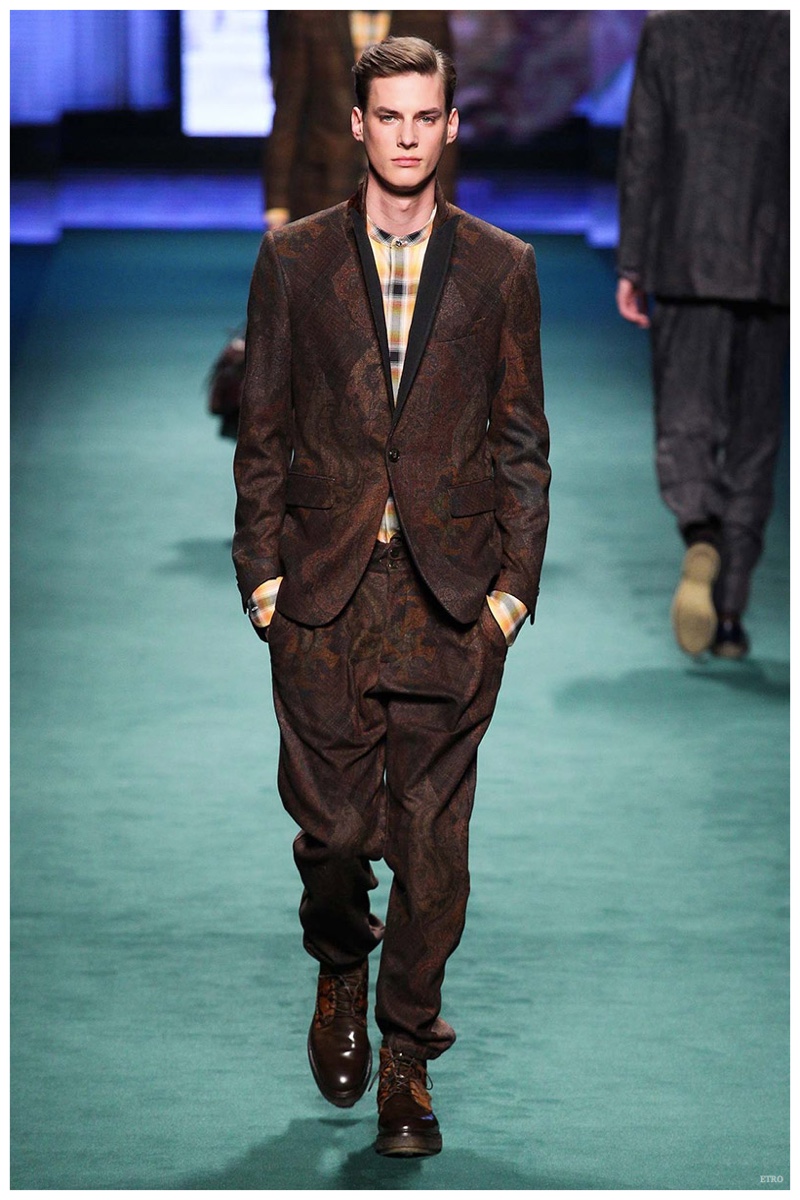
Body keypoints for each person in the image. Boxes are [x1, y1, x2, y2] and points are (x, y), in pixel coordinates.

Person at [233, 36, 549, 1157]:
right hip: (321, 588)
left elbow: (521, 442)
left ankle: (407, 1056)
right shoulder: (294, 260)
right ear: (359, 126)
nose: (408, 136)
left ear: (449, 126)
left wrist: (512, 595)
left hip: (449, 595)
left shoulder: (502, 267)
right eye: (390, 117)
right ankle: (338, 964)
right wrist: (261, 579)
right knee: (331, 834)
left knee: (430, 844)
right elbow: (261, 428)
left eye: (427, 117)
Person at [615, 11, 789, 660]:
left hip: (686, 256)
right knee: (754, 440)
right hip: (774, 261)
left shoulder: (668, 29)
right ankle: (732, 615)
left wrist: (633, 263)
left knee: (686, 420)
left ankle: (701, 534)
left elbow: (643, 150)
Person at [262, 11, 457, 229]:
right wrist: (277, 203)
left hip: (405, 198)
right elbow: (288, 113)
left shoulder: (426, 17)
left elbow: (439, 114)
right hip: (323, 187)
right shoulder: (311, 16)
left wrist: (445, 204)